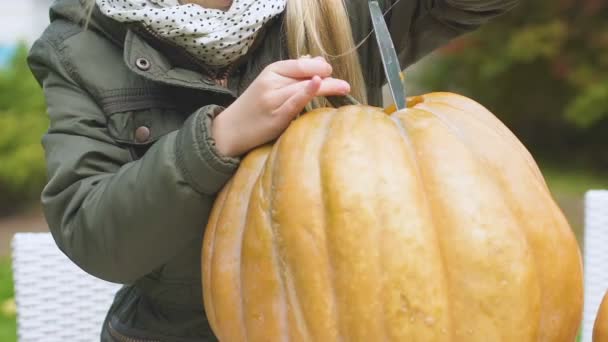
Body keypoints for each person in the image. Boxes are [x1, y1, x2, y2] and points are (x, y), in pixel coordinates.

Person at [27, 0, 518, 340]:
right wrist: (217, 139)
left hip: (361, 323)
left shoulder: (342, 10)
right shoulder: (78, 48)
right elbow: (94, 234)